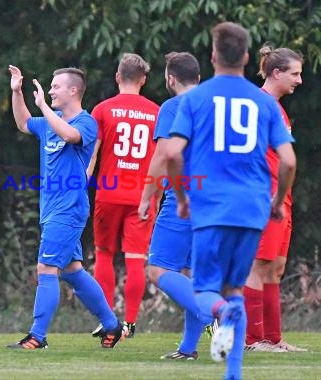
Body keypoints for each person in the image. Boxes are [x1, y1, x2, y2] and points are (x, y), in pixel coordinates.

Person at [164, 22, 297, 380]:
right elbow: (288, 161)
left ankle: (222, 310)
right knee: (238, 287)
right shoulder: (263, 102)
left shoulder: (194, 99)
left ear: (212, 56)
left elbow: (173, 154)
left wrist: (180, 198)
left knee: (206, 289)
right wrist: (279, 201)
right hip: (253, 209)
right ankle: (233, 373)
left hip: (211, 208)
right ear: (249, 57)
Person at [6, 64, 127, 349]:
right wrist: (17, 93)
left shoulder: (86, 123)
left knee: (46, 268)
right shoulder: (52, 119)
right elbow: (24, 123)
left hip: (68, 209)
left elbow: (70, 136)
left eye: (55, 86)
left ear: (73, 91)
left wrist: (43, 108)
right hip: (51, 209)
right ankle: (112, 326)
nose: (50, 91)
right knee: (72, 271)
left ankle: (37, 337)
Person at [138, 51, 205, 360]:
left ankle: (214, 311)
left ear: (170, 79)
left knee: (158, 269)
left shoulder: (174, 106)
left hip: (185, 199)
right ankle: (188, 349)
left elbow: (164, 156)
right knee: (190, 274)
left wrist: (145, 197)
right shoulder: (214, 106)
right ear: (199, 78)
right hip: (216, 200)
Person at [87, 53, 159, 337]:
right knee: (135, 259)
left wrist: (82, 184)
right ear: (143, 80)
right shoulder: (156, 111)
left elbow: (92, 153)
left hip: (109, 193)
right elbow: (161, 158)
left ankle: (107, 321)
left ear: (118, 77)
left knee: (104, 254)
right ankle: (129, 323)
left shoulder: (103, 109)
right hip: (142, 195)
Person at [243, 46, 306, 353]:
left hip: (282, 197)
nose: (300, 80)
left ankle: (274, 339)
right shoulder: (259, 105)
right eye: (295, 73)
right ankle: (253, 341)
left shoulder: (276, 107)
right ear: (276, 72)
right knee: (258, 264)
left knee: (276, 267)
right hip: (266, 198)